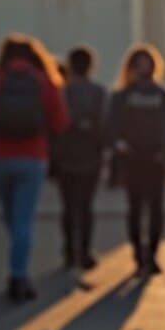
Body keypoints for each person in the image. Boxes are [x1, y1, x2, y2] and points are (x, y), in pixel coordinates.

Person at [0, 34, 68, 302]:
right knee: (23, 220)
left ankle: (18, 266)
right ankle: (18, 275)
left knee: (12, 219)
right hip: (32, 156)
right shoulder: (43, 81)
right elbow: (60, 122)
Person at [107, 45, 165, 275]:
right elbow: (111, 127)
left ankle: (153, 254)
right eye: (138, 63)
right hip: (133, 160)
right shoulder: (123, 96)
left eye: (146, 63)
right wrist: (119, 146)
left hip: (156, 160)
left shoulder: (161, 95)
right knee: (136, 209)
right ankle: (139, 256)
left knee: (156, 209)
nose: (143, 68)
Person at [53, 46, 110, 271]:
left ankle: (69, 251)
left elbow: (54, 124)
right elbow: (105, 125)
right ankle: (85, 251)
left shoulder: (62, 92)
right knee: (86, 206)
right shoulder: (99, 92)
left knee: (68, 206)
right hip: (90, 156)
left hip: (65, 156)